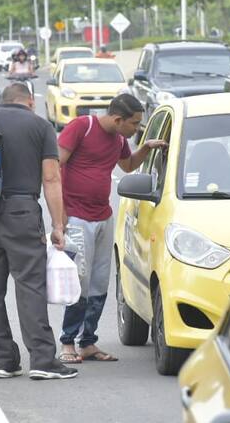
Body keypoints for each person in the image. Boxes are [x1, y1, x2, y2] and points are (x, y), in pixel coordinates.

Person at [0, 83, 79, 381]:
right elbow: (51, 178)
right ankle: (43, 360)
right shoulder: (40, 125)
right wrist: (57, 226)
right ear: (30, 101)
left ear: (2, 100)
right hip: (21, 212)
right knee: (30, 284)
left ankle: (5, 360)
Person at [57, 94, 167, 363]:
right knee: (80, 281)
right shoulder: (83, 127)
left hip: (103, 216)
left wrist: (147, 147)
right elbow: (53, 166)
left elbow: (128, 165)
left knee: (99, 282)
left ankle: (88, 342)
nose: (137, 129)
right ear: (118, 119)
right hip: (76, 218)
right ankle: (68, 342)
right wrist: (59, 218)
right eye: (134, 124)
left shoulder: (119, 139)